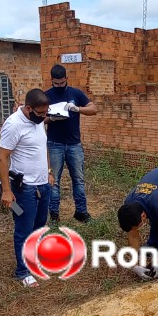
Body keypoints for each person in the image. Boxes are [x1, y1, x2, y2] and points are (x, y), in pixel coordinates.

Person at [0, 89, 54, 287]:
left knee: (39, 227)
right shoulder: (13, 125)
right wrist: (6, 190)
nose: (43, 117)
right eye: (40, 114)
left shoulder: (38, 122)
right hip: (24, 188)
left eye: (45, 113)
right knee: (24, 229)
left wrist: (48, 172)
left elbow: (43, 147)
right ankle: (23, 271)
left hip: (43, 185)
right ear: (28, 108)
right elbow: (2, 158)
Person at [44, 64, 97, 223]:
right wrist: (51, 118)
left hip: (74, 145)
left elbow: (93, 109)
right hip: (54, 145)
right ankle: (54, 214)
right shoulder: (46, 96)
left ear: (66, 78)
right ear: (52, 80)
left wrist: (77, 109)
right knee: (54, 180)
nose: (59, 86)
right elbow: (39, 120)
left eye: (62, 82)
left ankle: (81, 212)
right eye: (56, 83)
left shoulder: (76, 93)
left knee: (79, 180)